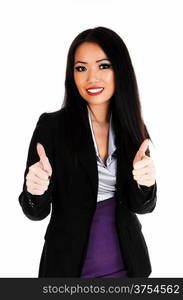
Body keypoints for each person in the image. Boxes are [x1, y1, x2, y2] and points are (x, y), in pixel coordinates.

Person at [18, 26, 157, 278]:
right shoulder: (52, 127)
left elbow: (142, 206)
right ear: (72, 75)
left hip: (128, 268)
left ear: (120, 70)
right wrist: (34, 190)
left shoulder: (134, 128)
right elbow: (35, 211)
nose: (92, 78)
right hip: (69, 271)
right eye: (81, 68)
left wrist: (145, 184)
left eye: (103, 66)